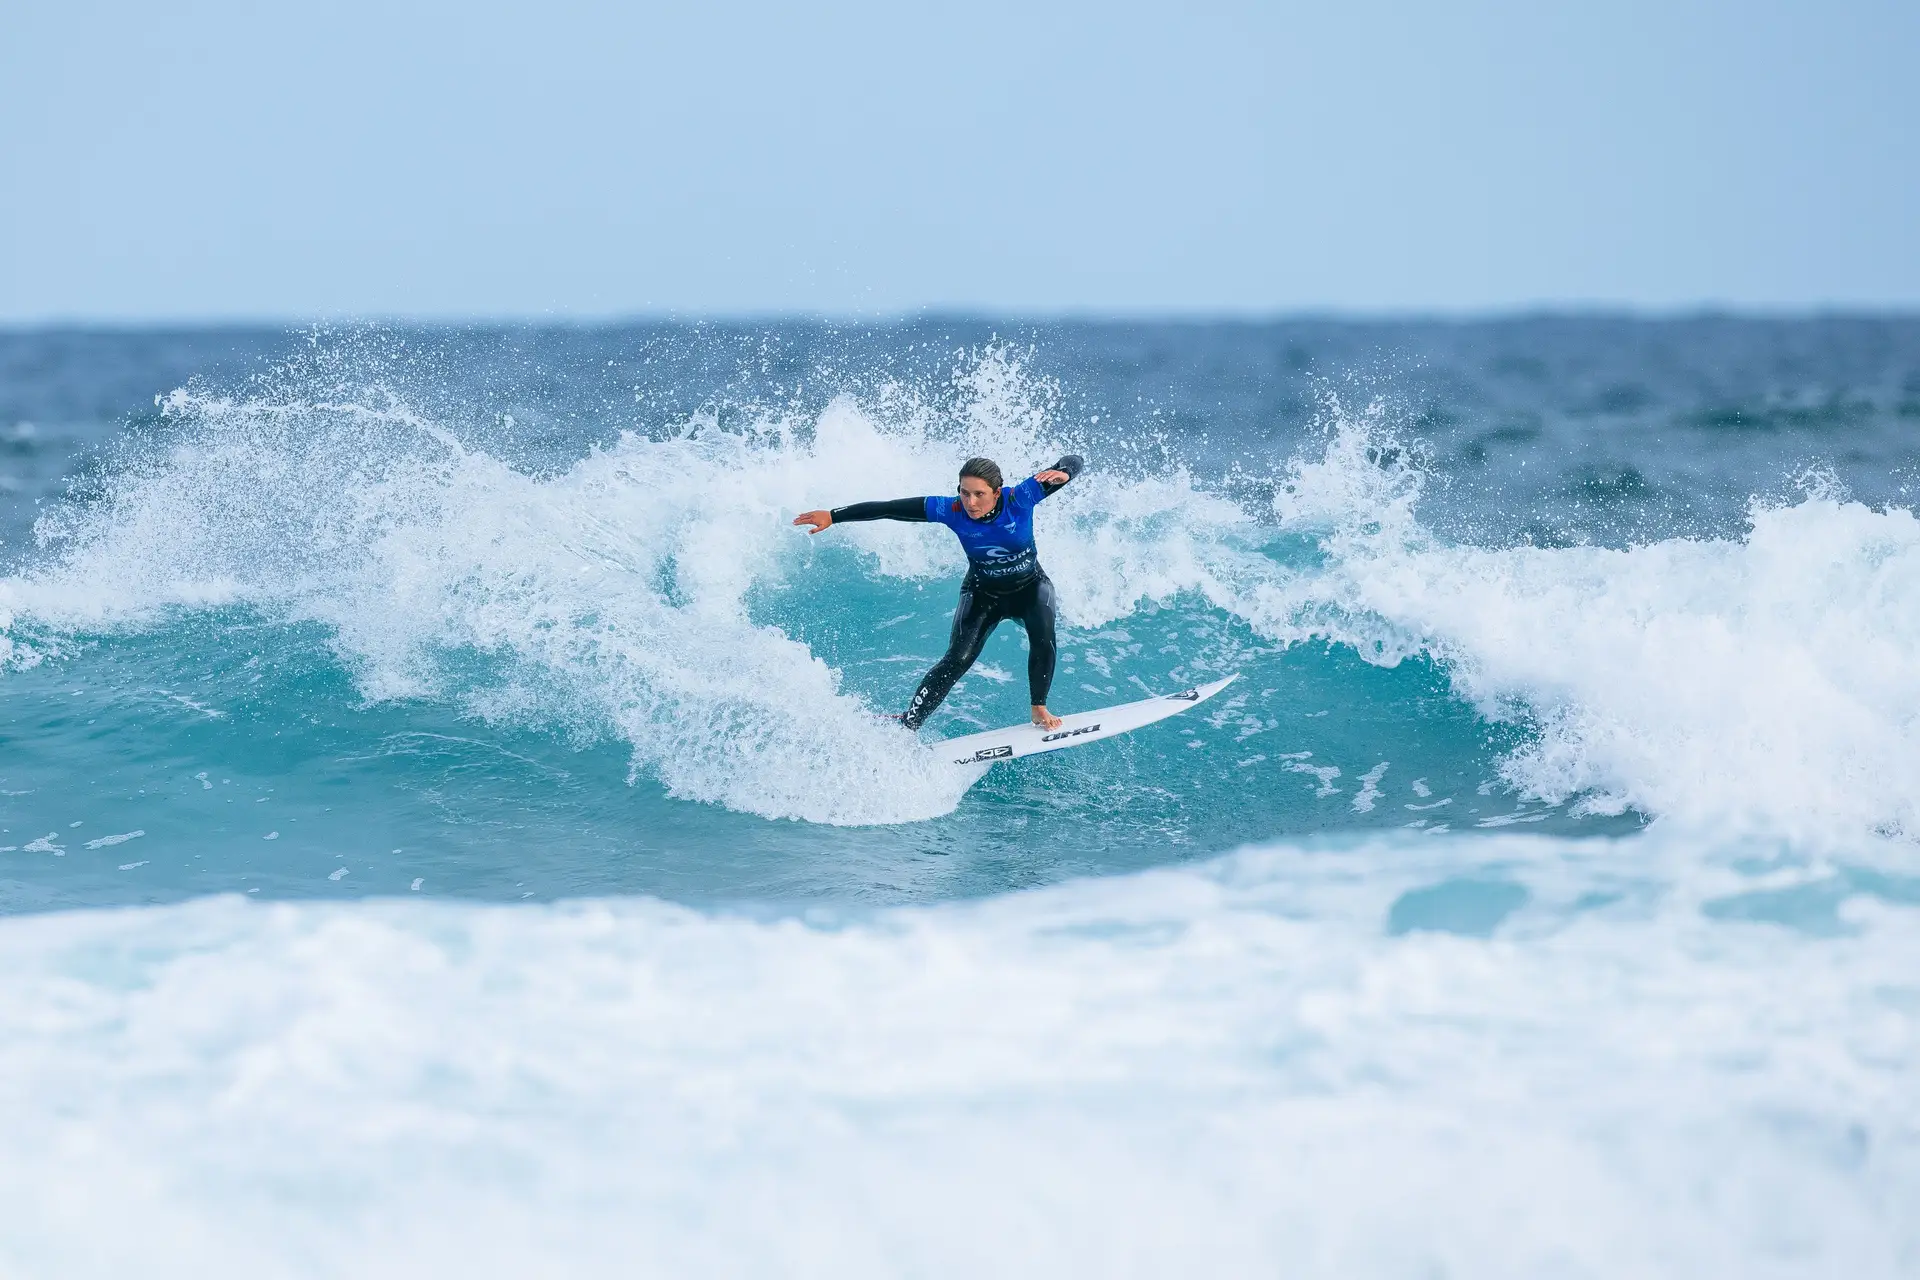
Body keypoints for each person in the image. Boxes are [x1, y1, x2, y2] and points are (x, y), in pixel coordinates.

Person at [793, 454, 1084, 731]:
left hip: (1030, 586)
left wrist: (1065, 472)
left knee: (1043, 635)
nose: (970, 502)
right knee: (957, 658)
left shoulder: (1021, 497)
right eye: (964, 492)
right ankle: (909, 723)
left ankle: (1038, 707)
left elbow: (1074, 461)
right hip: (984, 592)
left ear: (997, 492)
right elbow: (889, 508)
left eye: (979, 494)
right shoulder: (951, 510)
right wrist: (833, 515)